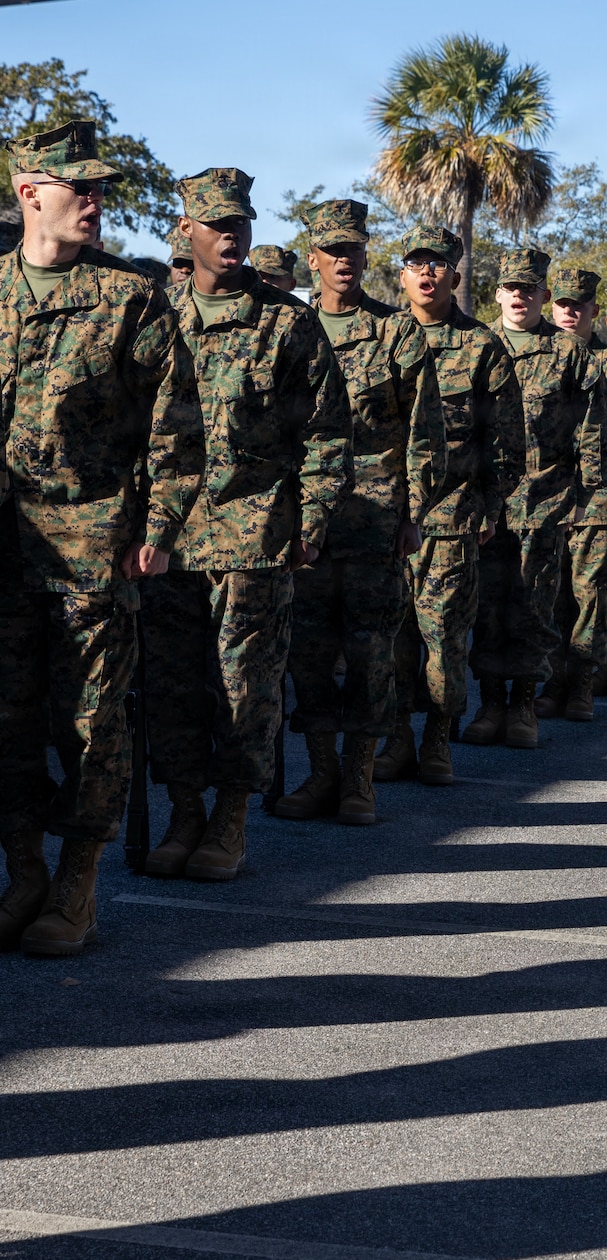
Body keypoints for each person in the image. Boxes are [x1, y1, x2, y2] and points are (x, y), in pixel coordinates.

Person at [0, 120, 197, 955]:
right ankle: (24, 873)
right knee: (6, 720)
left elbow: (177, 430)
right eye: (77, 185)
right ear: (27, 191)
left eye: (101, 188)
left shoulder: (132, 296)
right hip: (5, 550)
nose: (94, 200)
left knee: (91, 722)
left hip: (93, 548)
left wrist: (157, 527)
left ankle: (77, 883)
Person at [142, 169, 351, 878]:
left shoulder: (287, 322)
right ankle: (182, 812)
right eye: (217, 225)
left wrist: (311, 522)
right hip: (164, 538)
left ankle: (230, 818)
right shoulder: (153, 315)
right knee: (171, 684)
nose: (231, 236)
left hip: (254, 536)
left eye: (241, 225)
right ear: (186, 232)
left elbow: (326, 435)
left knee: (245, 688)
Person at [275, 200, 444, 819]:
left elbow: (426, 432)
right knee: (310, 652)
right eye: (333, 250)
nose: (345, 261)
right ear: (312, 256)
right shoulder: (288, 326)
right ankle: (320, 773)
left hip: (375, 520)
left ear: (367, 255)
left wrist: (414, 512)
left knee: (373, 653)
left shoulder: (394, 331)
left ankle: (359, 778)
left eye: (355, 249)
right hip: (304, 524)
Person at [376, 224, 521, 785]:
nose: (428, 273)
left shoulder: (481, 345)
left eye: (438, 264)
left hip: (450, 516)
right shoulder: (381, 337)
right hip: (385, 516)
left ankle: (438, 741)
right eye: (417, 263)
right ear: (403, 276)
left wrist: (489, 505)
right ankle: (394, 740)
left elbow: (507, 439)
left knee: (442, 636)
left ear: (455, 276)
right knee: (388, 637)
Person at [464, 247, 607, 750]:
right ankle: (489, 702)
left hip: (546, 500)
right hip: (485, 501)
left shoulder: (570, 353)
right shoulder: (477, 344)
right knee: (486, 604)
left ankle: (524, 702)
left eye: (530, 289)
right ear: (499, 292)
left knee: (534, 604)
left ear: (543, 296)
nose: (520, 297)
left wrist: (588, 499)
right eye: (512, 288)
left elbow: (595, 430)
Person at [541, 267, 607, 720]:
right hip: (543, 497)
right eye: (562, 304)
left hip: (598, 500)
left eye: (577, 306)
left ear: (592, 311)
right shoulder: (539, 356)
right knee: (549, 594)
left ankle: (581, 684)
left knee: (591, 594)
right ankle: (551, 679)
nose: (568, 312)